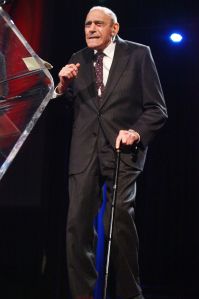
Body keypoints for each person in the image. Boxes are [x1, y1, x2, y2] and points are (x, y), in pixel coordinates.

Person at [55, 6, 168, 299]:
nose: (91, 29)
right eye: (87, 24)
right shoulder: (77, 59)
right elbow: (68, 106)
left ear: (114, 28)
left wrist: (136, 132)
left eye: (98, 24)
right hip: (84, 152)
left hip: (123, 151)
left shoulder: (138, 54)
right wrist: (62, 86)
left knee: (118, 226)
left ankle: (130, 294)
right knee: (77, 228)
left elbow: (157, 109)